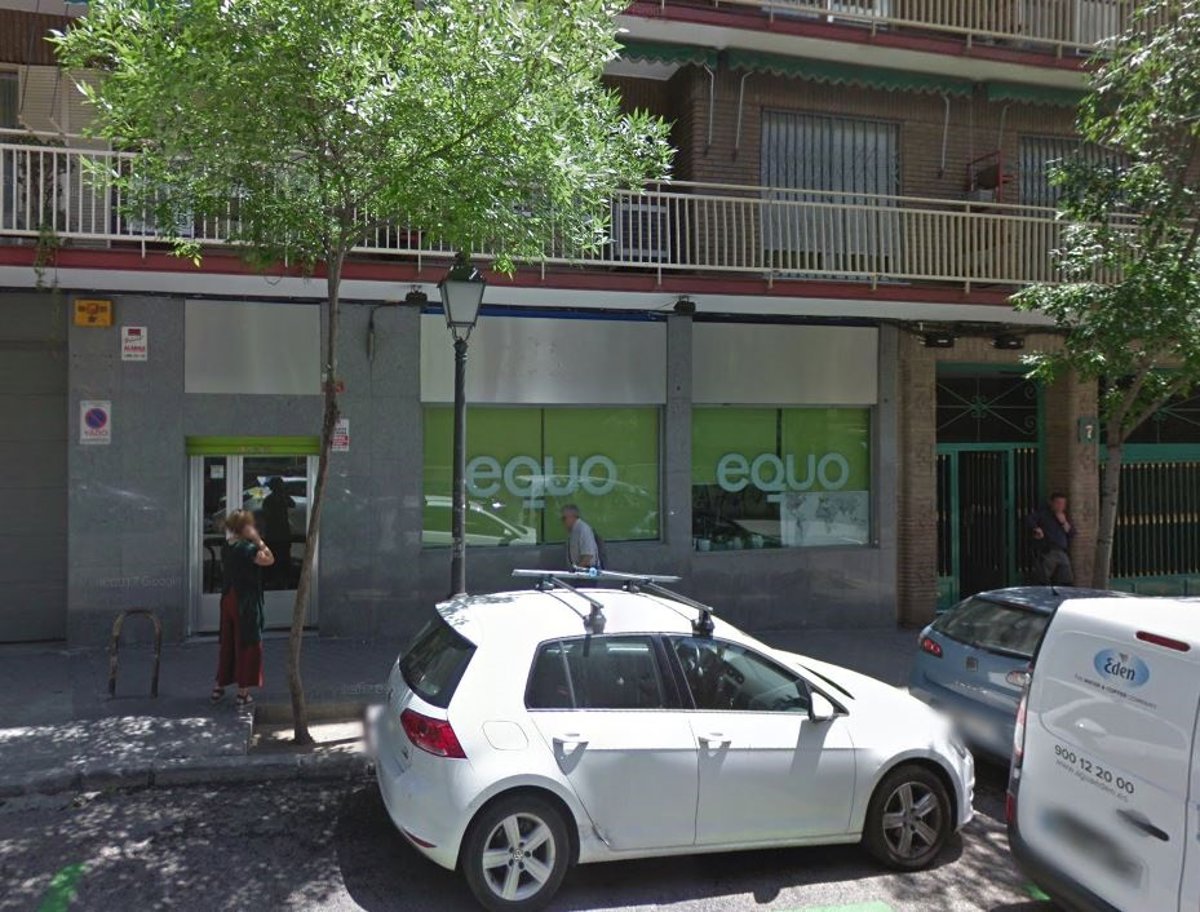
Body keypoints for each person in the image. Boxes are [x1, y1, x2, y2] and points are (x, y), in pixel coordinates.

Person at [211, 510, 274, 708]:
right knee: (248, 642)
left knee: (228, 643)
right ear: (245, 527)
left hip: (228, 598)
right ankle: (243, 693)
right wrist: (258, 540)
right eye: (250, 525)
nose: (253, 528)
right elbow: (270, 559)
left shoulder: (227, 546)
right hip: (245, 601)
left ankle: (218, 687)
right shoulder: (247, 548)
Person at [1026, 492, 1075, 586]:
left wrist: (1064, 522)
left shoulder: (1065, 517)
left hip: (1062, 551)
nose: (1060, 506)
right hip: (1048, 551)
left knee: (1066, 578)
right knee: (1043, 578)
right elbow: (1029, 520)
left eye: (1063, 504)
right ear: (1051, 503)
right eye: (1058, 503)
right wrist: (1036, 529)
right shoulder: (1044, 514)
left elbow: (1071, 533)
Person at [260, 476, 295, 589]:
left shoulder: (281, 498)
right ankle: (275, 581)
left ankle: (282, 580)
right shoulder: (269, 500)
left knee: (283, 559)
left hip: (281, 534)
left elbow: (292, 504)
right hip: (275, 534)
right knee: (275, 558)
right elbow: (266, 515)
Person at [561, 504, 602, 571]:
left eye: (564, 518)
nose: (562, 522)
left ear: (572, 517)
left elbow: (588, 556)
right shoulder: (574, 531)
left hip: (587, 571)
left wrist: (576, 570)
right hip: (581, 570)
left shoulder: (583, 529)